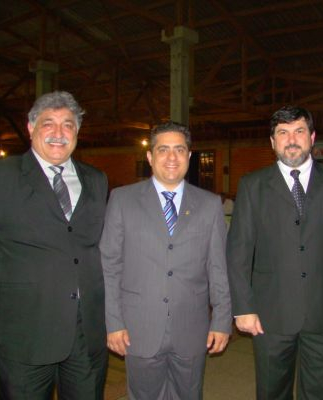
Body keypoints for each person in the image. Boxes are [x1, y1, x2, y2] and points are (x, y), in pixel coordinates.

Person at [0, 91, 109, 399]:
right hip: (23, 330)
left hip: (85, 329)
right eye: (48, 123)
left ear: (77, 132)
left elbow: (92, 245)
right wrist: (7, 286)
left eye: (68, 125)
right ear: (30, 127)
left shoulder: (96, 179)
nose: (59, 133)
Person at [227, 105, 323, 399]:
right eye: (283, 133)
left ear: (312, 137)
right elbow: (238, 251)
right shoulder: (252, 185)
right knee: (271, 392)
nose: (291, 140)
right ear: (272, 141)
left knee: (321, 393)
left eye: (299, 131)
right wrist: (243, 307)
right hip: (269, 314)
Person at [100, 121, 232, 400]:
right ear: (150, 157)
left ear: (189, 155)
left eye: (179, 150)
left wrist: (221, 320)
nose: (172, 157)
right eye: (163, 150)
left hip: (192, 328)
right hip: (138, 327)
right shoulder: (122, 200)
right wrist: (113, 322)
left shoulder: (209, 204)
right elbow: (109, 266)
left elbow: (218, 268)